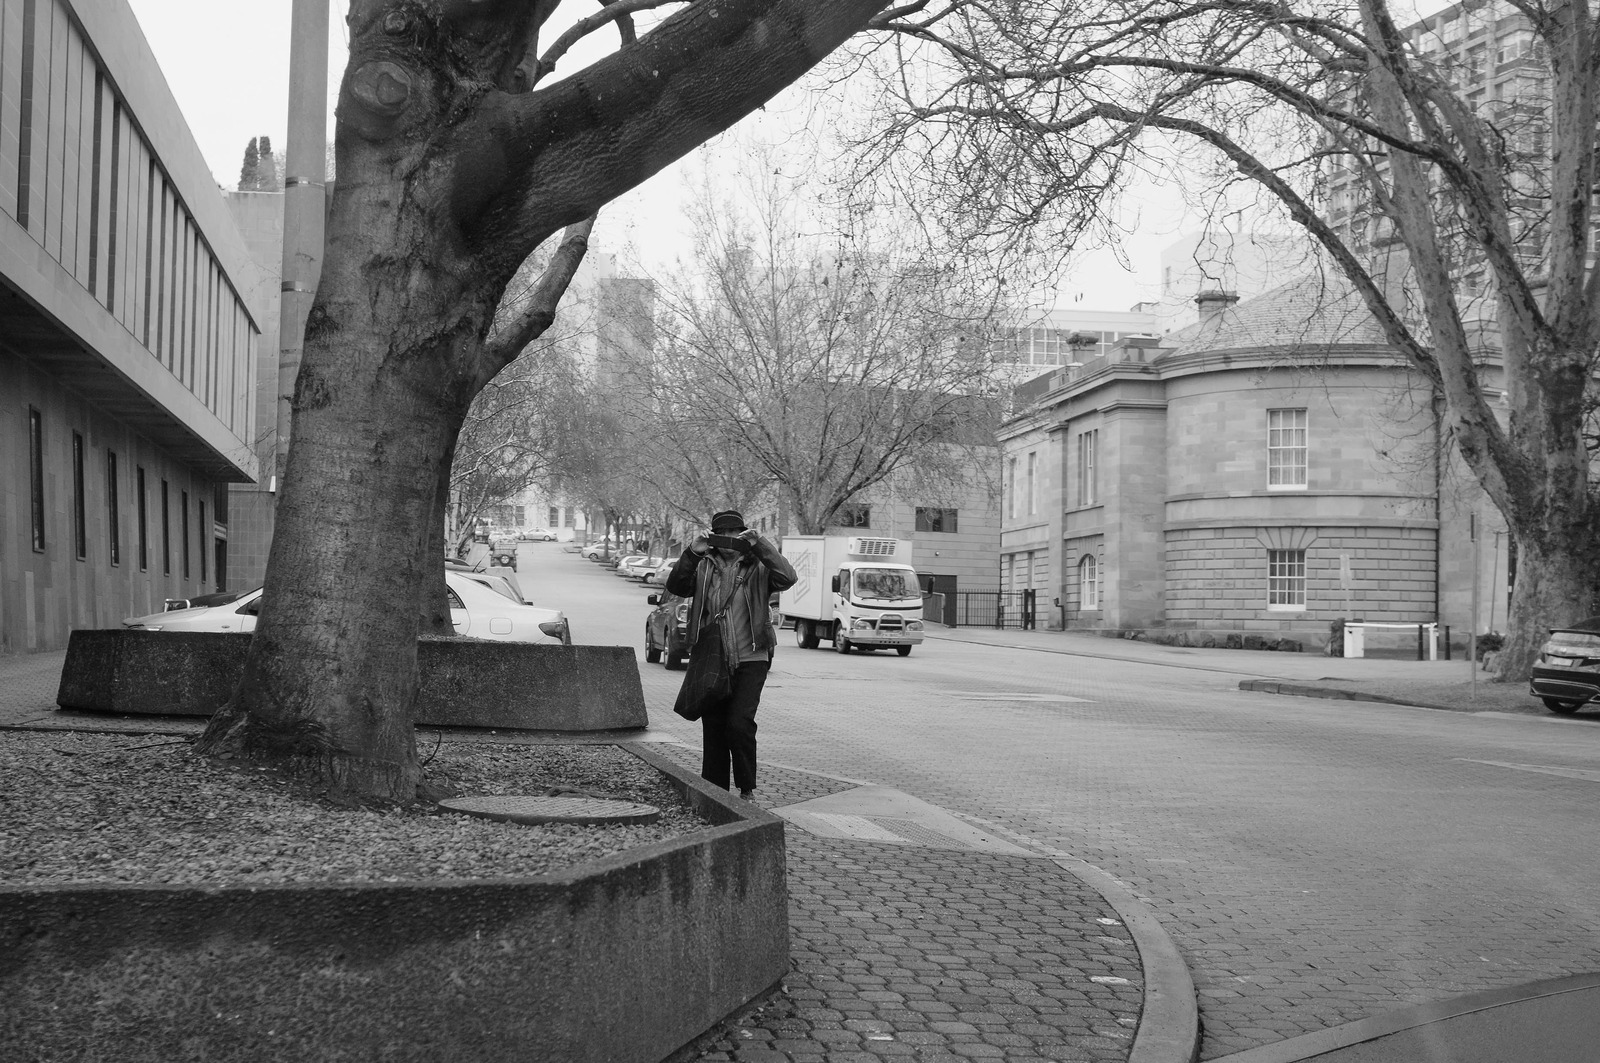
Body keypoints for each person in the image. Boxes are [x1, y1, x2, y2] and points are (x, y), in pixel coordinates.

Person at [666, 510, 796, 801]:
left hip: (752, 658)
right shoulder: (703, 566)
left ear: (742, 534)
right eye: (722, 534)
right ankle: (715, 793)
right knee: (713, 728)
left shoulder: (758, 566)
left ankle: (746, 787)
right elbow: (675, 586)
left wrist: (761, 544)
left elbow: (788, 577)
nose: (729, 539)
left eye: (735, 533)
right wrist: (691, 552)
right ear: (713, 537)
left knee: (739, 724)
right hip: (712, 658)